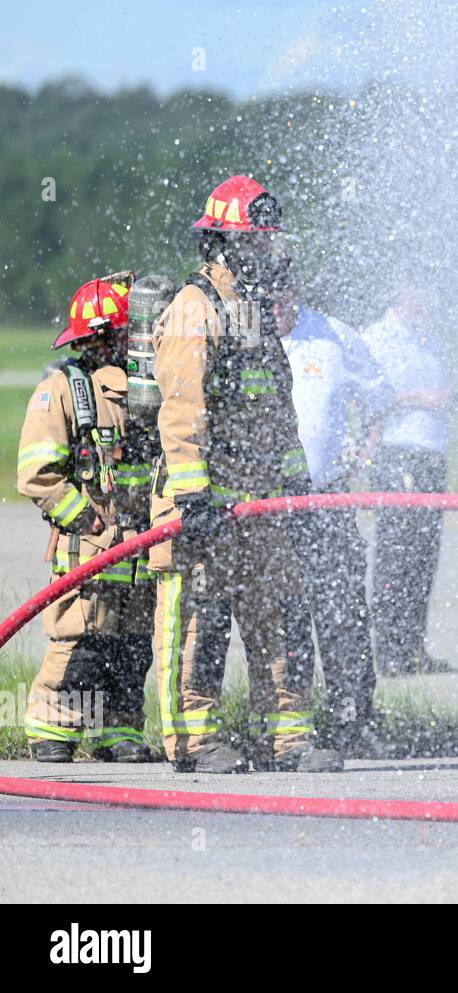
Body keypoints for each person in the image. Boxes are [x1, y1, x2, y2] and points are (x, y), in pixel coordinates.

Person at [149, 174, 341, 773]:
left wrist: (298, 492)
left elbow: (281, 414)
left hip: (263, 511)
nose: (264, 256)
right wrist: (193, 497)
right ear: (223, 243)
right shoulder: (194, 308)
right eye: (254, 245)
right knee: (200, 629)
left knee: (278, 618)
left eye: (268, 245)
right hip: (205, 509)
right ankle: (195, 743)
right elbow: (182, 410)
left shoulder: (254, 313)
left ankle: (283, 739)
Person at [17, 276, 156, 762]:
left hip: (141, 552)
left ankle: (120, 732)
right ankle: (51, 730)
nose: (114, 346)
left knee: (135, 648)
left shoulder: (146, 394)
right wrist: (86, 522)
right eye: (114, 337)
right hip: (89, 551)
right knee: (80, 643)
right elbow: (36, 474)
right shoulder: (60, 391)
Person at [274, 277, 394, 755]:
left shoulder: (334, 336)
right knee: (287, 618)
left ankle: (355, 719)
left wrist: (365, 447)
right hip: (273, 507)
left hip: (327, 501)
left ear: (296, 292)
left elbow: (380, 395)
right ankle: (290, 726)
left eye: (284, 297)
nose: (277, 307)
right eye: (268, 297)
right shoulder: (245, 337)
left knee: (344, 612)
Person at [359, 291, 456, 675]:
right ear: (401, 294)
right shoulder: (377, 338)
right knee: (395, 555)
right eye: (419, 294)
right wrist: (420, 398)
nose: (427, 302)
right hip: (397, 452)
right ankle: (387, 651)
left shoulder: (428, 337)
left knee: (423, 556)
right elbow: (366, 399)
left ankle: (413, 646)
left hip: (431, 454)